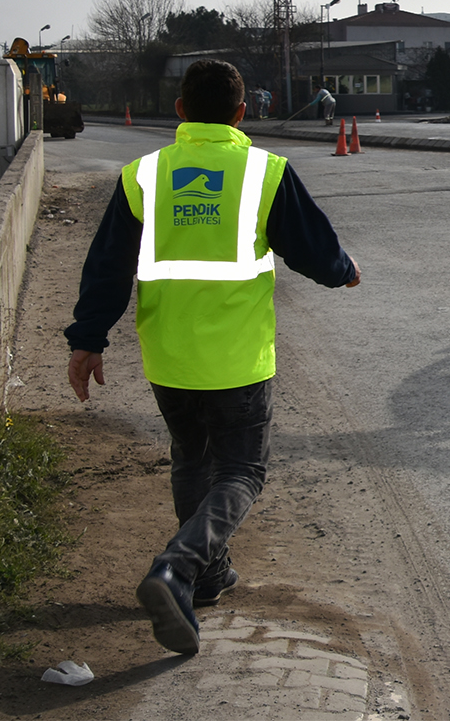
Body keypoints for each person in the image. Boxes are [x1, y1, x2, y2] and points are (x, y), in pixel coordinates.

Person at [64, 59, 360, 655]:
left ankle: (205, 577)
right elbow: (311, 247)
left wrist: (87, 340)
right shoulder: (263, 171)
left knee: (190, 460)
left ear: (179, 111)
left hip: (169, 356)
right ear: (241, 113)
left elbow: (108, 267)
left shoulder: (143, 176)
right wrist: (343, 271)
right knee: (242, 471)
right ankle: (177, 566)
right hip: (238, 358)